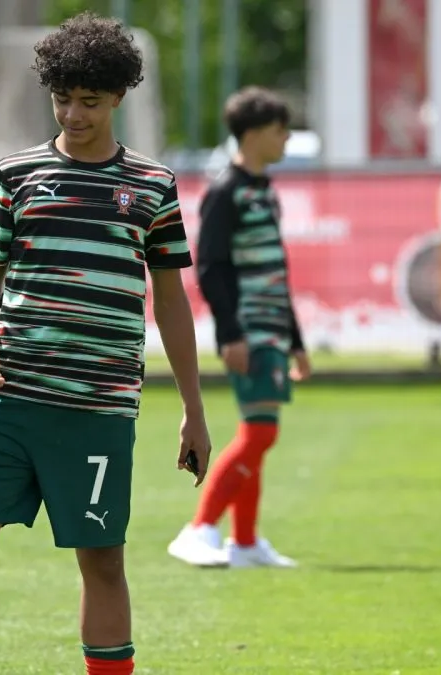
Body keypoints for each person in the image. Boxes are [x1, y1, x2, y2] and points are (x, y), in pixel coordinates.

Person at [0, 13, 212, 675]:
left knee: (102, 561)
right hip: (9, 402)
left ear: (119, 97)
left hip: (97, 410)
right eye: (62, 98)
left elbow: (172, 301)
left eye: (89, 101)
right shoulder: (16, 174)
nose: (73, 113)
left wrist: (194, 408)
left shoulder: (152, 187)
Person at [167, 86, 310, 569]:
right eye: (279, 130)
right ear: (252, 135)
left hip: (272, 330)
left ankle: (245, 542)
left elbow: (277, 268)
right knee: (260, 435)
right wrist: (230, 333)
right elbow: (209, 266)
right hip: (248, 329)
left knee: (257, 432)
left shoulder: (263, 188)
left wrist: (297, 341)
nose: (286, 138)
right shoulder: (226, 190)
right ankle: (199, 528)